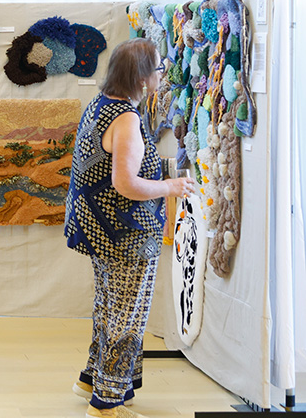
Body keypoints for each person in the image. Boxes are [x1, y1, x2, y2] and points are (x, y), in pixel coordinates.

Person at [64, 38, 195, 418]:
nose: (161, 75)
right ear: (141, 77)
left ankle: (93, 378)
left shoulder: (100, 106)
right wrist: (171, 187)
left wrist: (169, 171)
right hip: (125, 235)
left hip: (99, 228)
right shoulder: (126, 119)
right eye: (158, 69)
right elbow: (126, 183)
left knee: (109, 307)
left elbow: (113, 167)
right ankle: (105, 402)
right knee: (126, 314)